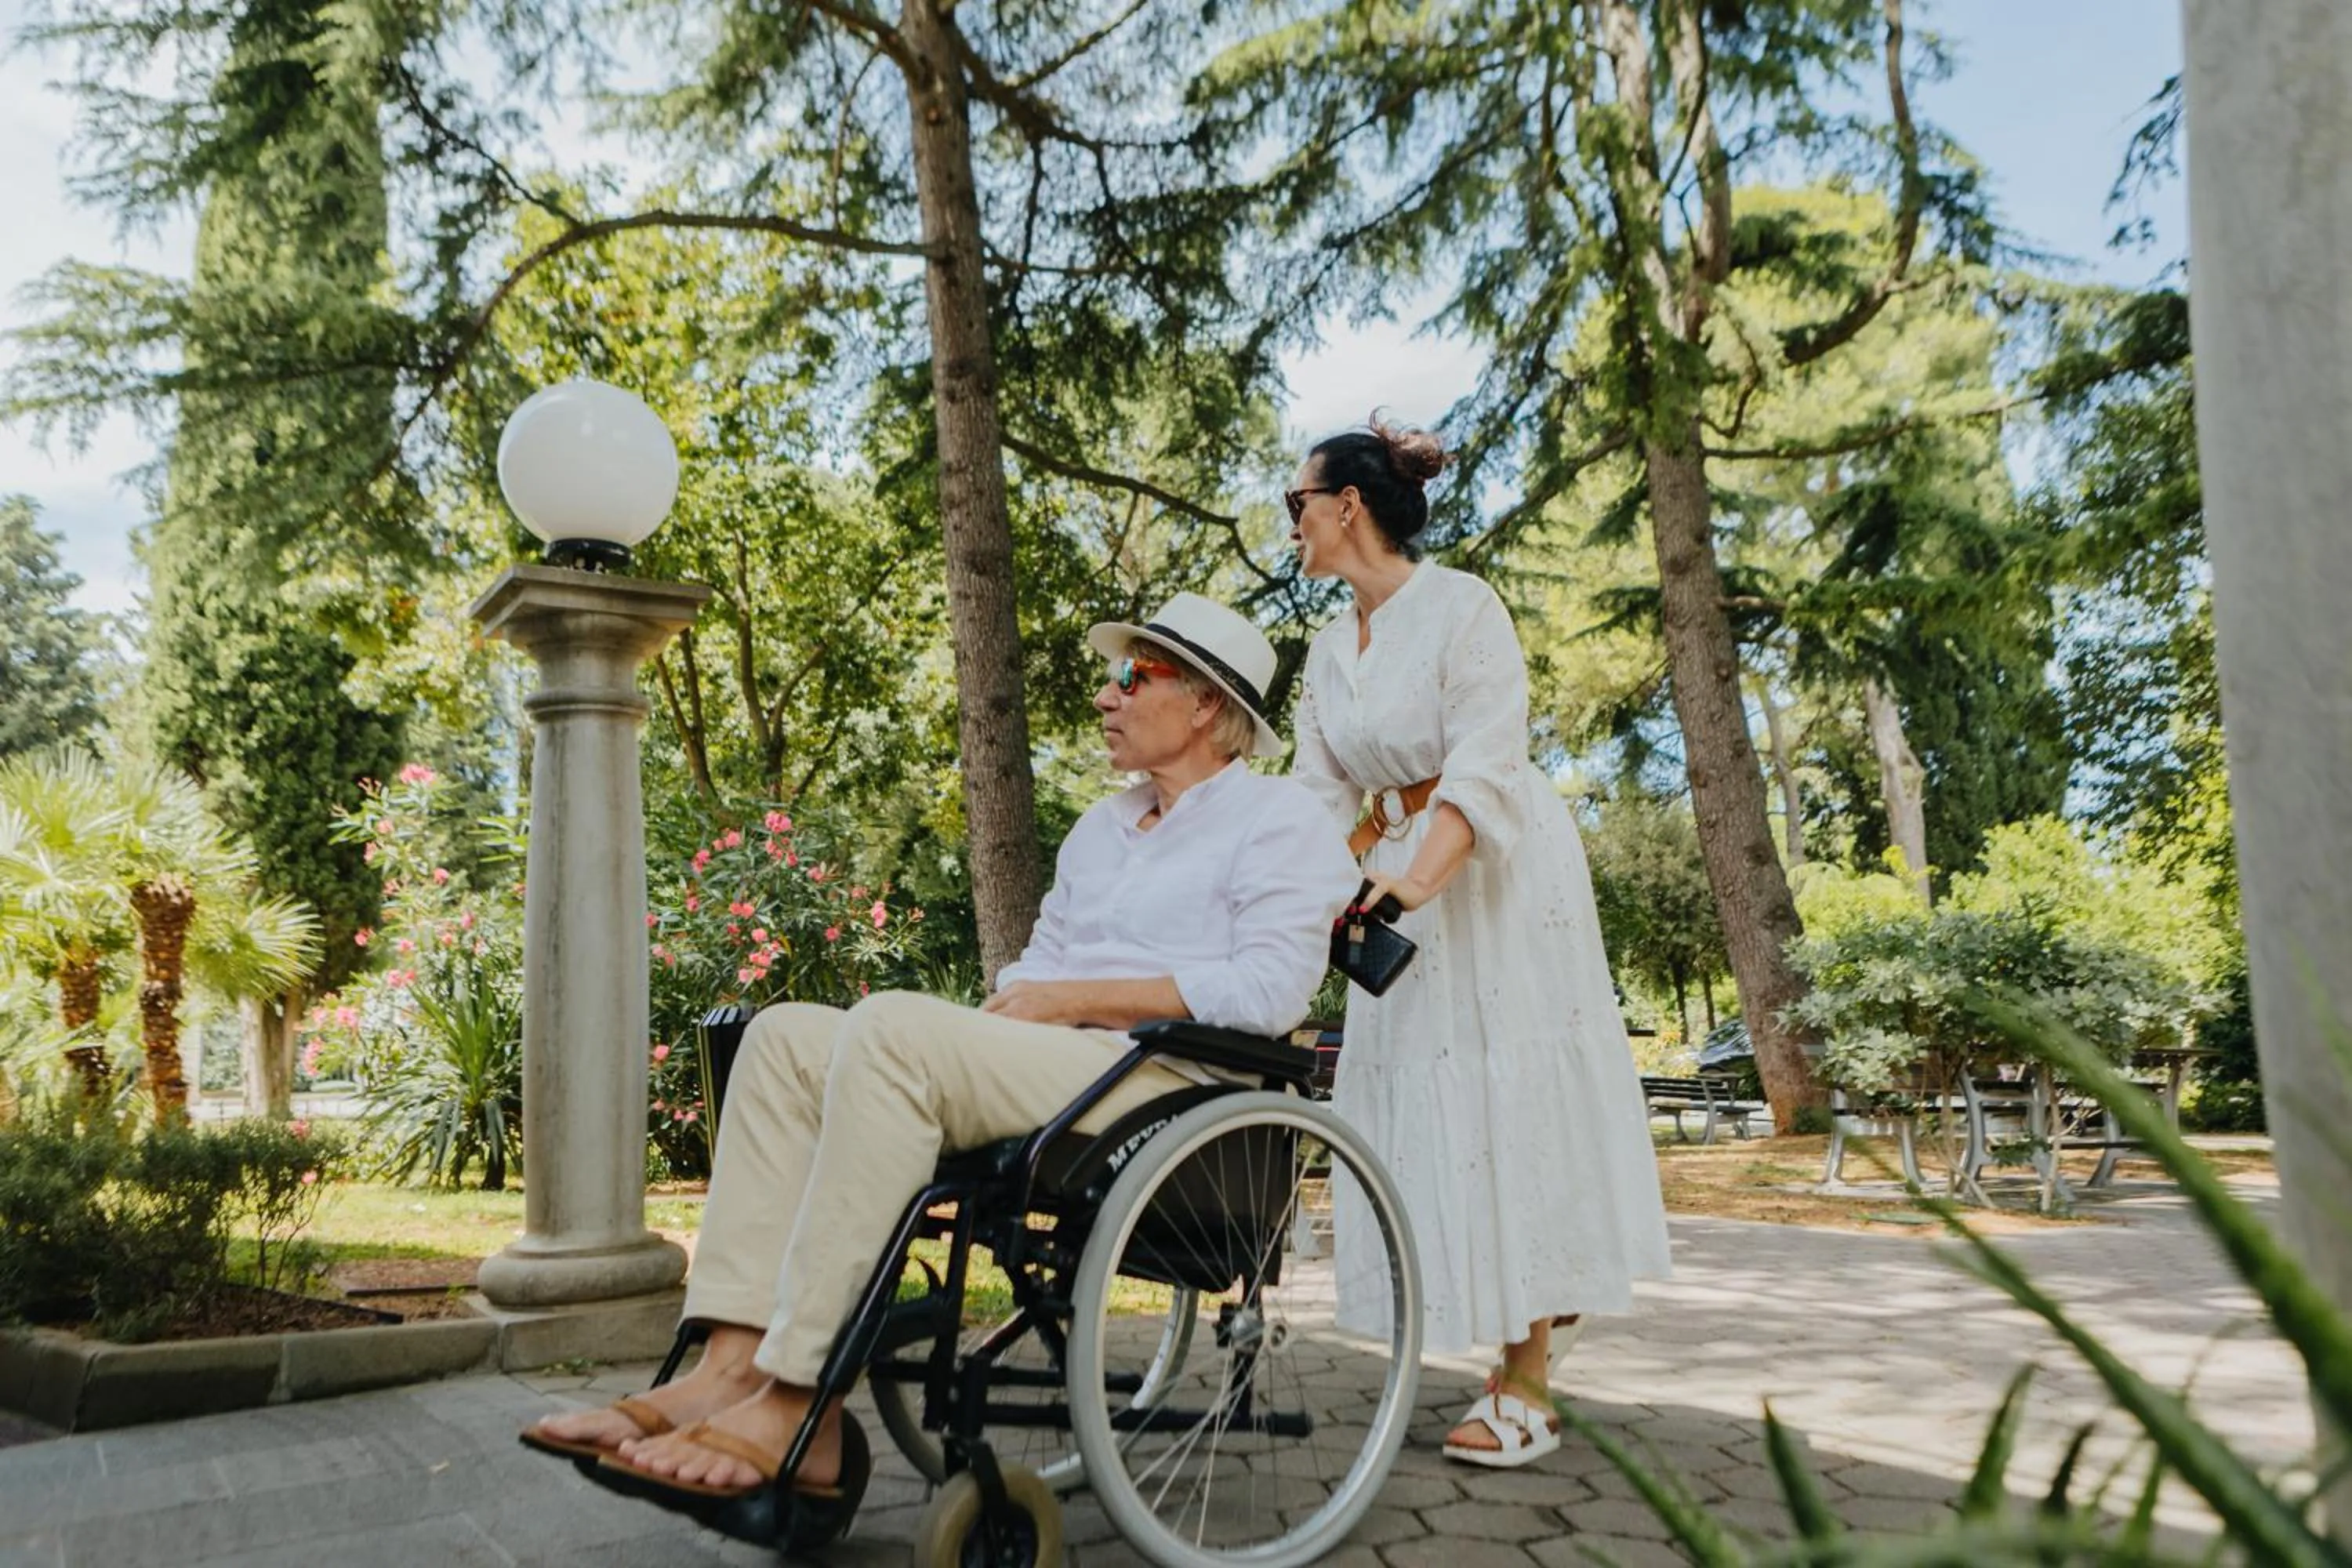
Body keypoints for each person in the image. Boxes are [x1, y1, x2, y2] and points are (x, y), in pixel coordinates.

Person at [519, 592, 1361, 1515]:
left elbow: (1272, 990)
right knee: (785, 1036)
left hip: (1169, 1085)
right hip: (1064, 1064)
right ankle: (727, 1367)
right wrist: (1012, 1011)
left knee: (891, 1026)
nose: (1105, 695)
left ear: (1205, 704)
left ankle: (802, 1395)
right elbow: (1040, 967)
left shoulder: (1279, 819)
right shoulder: (1103, 827)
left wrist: (1070, 1001)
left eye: (1132, 674)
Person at [1287, 418, 1672, 1469]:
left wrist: (1416, 876)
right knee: (1424, 1103)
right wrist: (1320, 885)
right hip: (1397, 870)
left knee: (1508, 1099)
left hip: (1494, 871)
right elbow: (1319, 792)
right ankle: (1513, 1316)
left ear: (1347, 506)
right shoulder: (1328, 648)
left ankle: (1532, 1376)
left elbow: (1485, 764)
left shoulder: (1464, 608)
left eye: (1298, 505)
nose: (1293, 528)